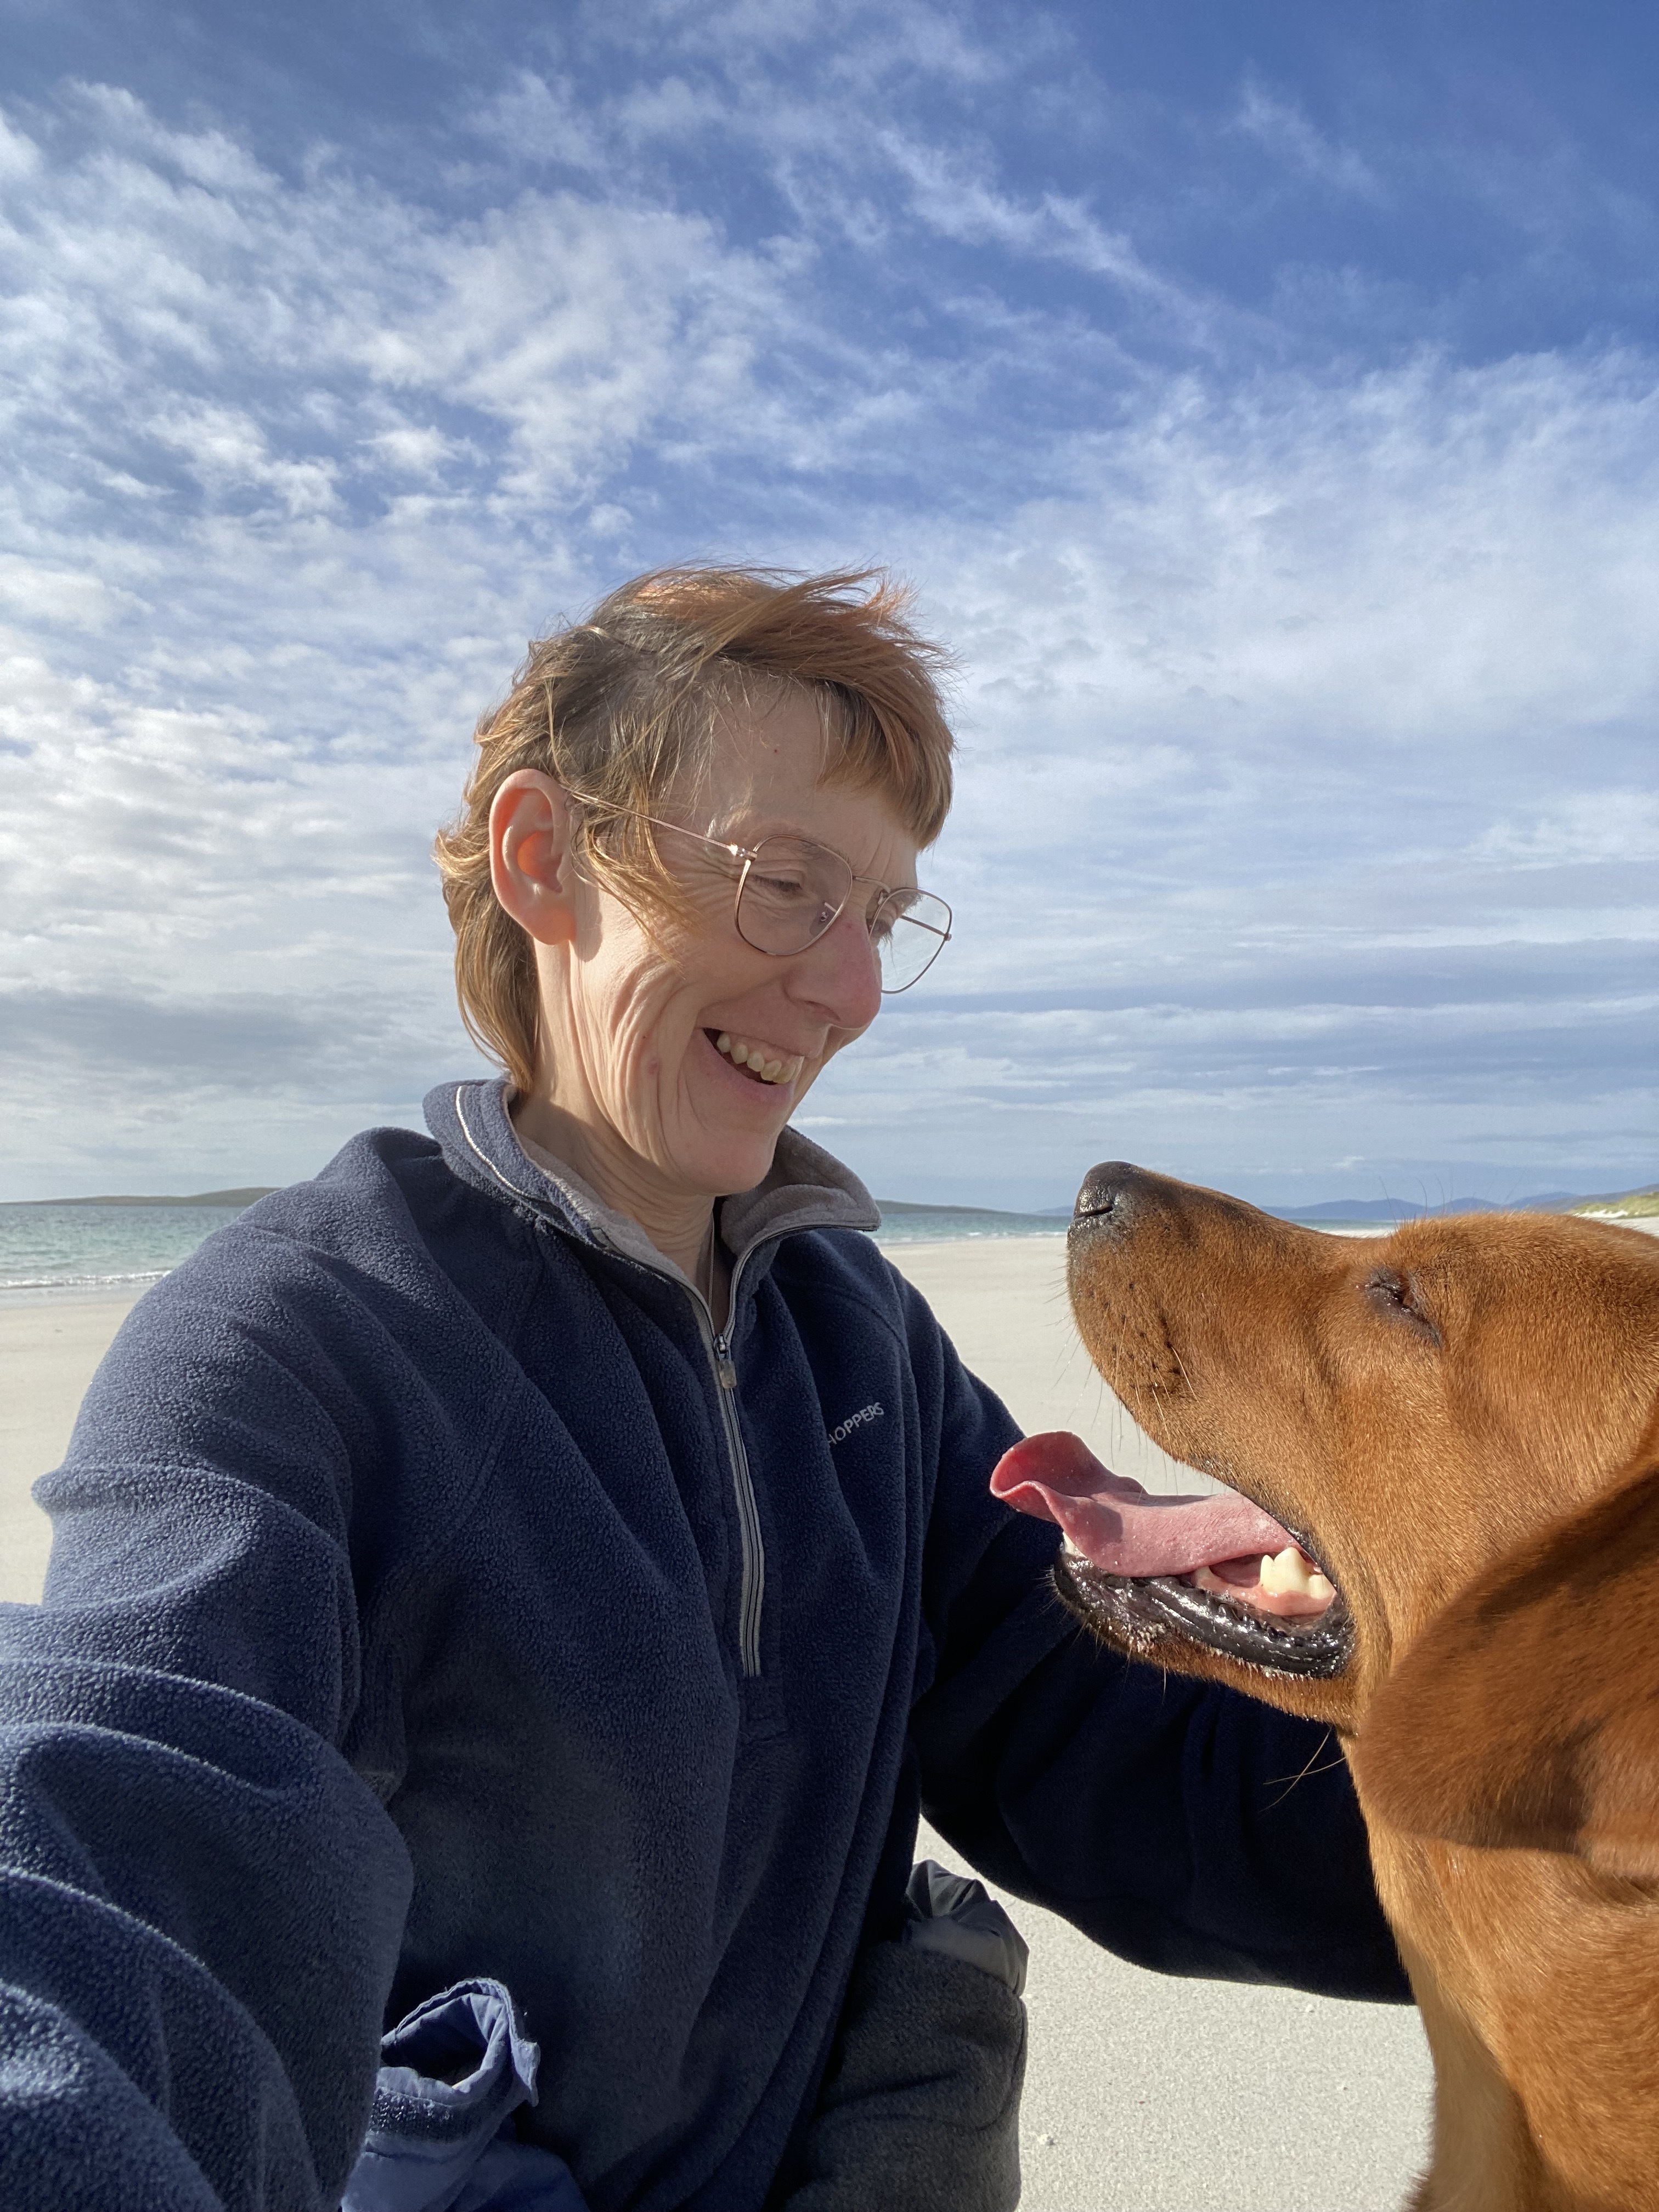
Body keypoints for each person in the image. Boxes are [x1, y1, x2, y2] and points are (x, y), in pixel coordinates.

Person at [0, 568, 1407, 2212]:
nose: (850, 991)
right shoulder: (297, 1350)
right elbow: (110, 1850)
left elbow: (1114, 1760)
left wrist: (1542, 1840)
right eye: (786, 884)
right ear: (545, 860)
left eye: (880, 917)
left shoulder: (858, 1344)